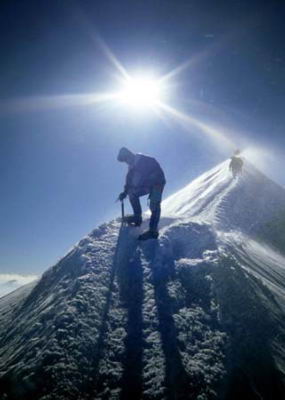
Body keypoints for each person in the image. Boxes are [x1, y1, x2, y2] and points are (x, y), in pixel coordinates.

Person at [117, 147, 166, 240]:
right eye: (124, 160)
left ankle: (153, 231)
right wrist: (125, 192)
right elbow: (129, 182)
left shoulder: (143, 160)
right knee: (132, 194)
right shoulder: (131, 167)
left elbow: (149, 173)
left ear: (129, 154)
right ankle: (137, 218)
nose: (126, 161)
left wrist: (146, 182)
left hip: (157, 183)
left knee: (154, 203)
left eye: (126, 158)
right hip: (146, 186)